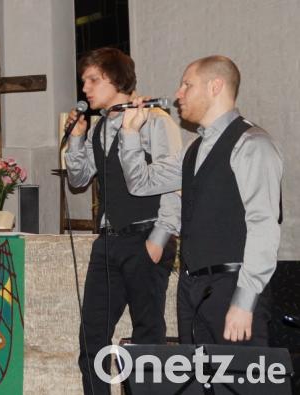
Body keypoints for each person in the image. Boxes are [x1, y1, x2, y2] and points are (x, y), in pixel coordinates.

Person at [118, 55, 283, 346]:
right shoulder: (193, 151)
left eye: (186, 85)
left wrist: (244, 302)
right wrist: (130, 133)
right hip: (193, 290)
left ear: (215, 86)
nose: (178, 93)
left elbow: (263, 226)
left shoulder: (252, 143)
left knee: (239, 387)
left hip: (233, 286)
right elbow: (141, 183)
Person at [63, 47, 182, 395]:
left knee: (147, 339)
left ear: (116, 79)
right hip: (108, 241)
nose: (85, 87)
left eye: (93, 79)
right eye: (84, 79)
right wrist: (76, 137)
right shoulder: (100, 127)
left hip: (145, 237)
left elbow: (175, 183)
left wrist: (159, 239)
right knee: (92, 337)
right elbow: (79, 178)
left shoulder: (156, 120)